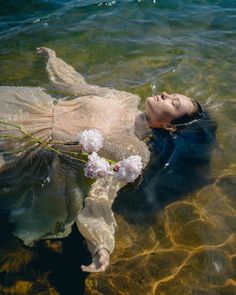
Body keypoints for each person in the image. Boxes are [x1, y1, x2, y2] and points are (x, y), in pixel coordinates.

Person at [0, 47, 205, 273]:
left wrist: (101, 247)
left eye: (174, 104)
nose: (166, 94)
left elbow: (103, 195)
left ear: (168, 126)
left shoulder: (135, 153)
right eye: (172, 94)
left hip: (34, 151)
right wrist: (54, 59)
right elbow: (77, 86)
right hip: (25, 110)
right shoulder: (126, 98)